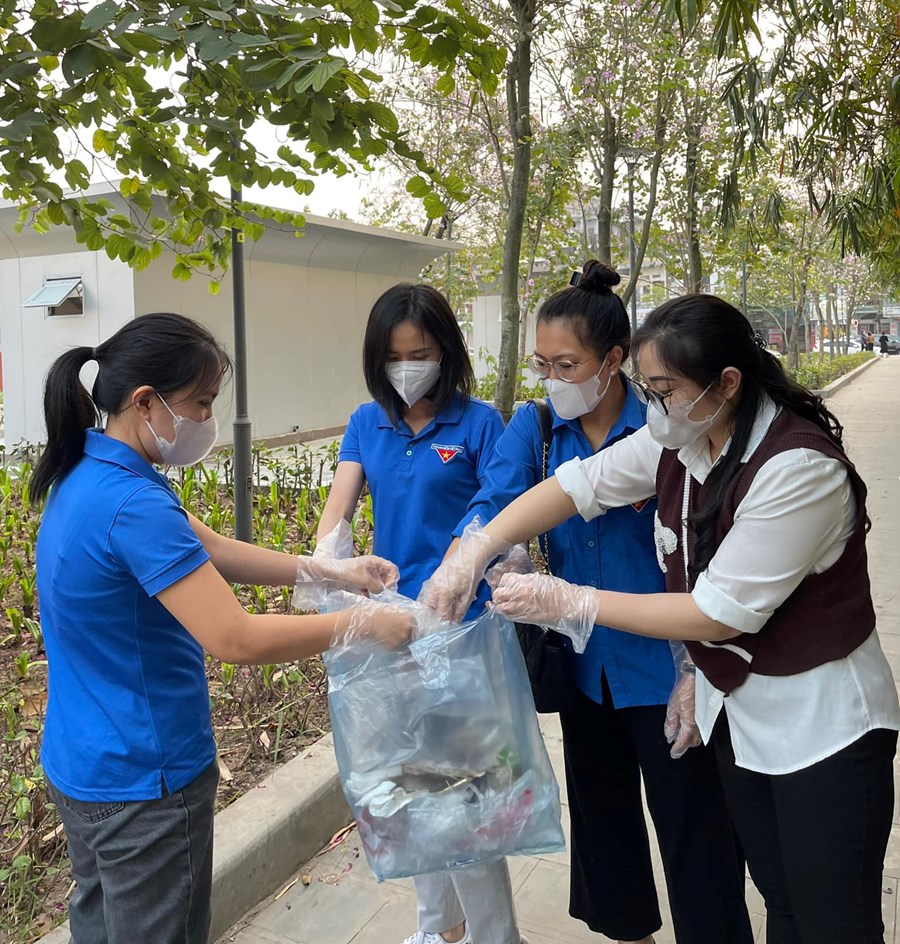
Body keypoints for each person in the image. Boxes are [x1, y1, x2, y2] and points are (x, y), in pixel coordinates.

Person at [430, 294, 900, 944]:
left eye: (664, 390)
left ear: (726, 383)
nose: (651, 407)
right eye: (647, 390)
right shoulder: (683, 438)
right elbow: (577, 485)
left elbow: (717, 612)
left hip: (823, 731)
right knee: (784, 903)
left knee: (832, 921)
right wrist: (475, 548)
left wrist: (571, 601)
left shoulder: (797, 468)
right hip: (742, 718)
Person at [33, 313, 411, 944]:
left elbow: (209, 548)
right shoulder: (134, 503)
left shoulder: (90, 468)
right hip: (145, 778)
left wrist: (332, 570)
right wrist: (363, 624)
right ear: (145, 401)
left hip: (83, 762)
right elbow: (235, 639)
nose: (208, 419)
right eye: (201, 403)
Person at [428, 264, 753, 944]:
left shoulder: (668, 424)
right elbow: (496, 499)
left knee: (697, 834)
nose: (553, 378)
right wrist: (473, 555)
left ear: (613, 361)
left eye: (567, 364)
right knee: (605, 836)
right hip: (585, 668)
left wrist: (697, 666)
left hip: (669, 668)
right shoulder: (539, 426)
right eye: (542, 364)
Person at [316, 283, 524, 944]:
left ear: (447, 353)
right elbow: (339, 510)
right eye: (395, 356)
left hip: (460, 632)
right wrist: (326, 566)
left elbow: (495, 508)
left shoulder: (479, 423)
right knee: (412, 789)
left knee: (466, 794)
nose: (408, 368)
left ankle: (496, 937)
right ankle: (440, 929)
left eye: (422, 354)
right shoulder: (366, 422)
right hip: (392, 631)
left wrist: (455, 573)